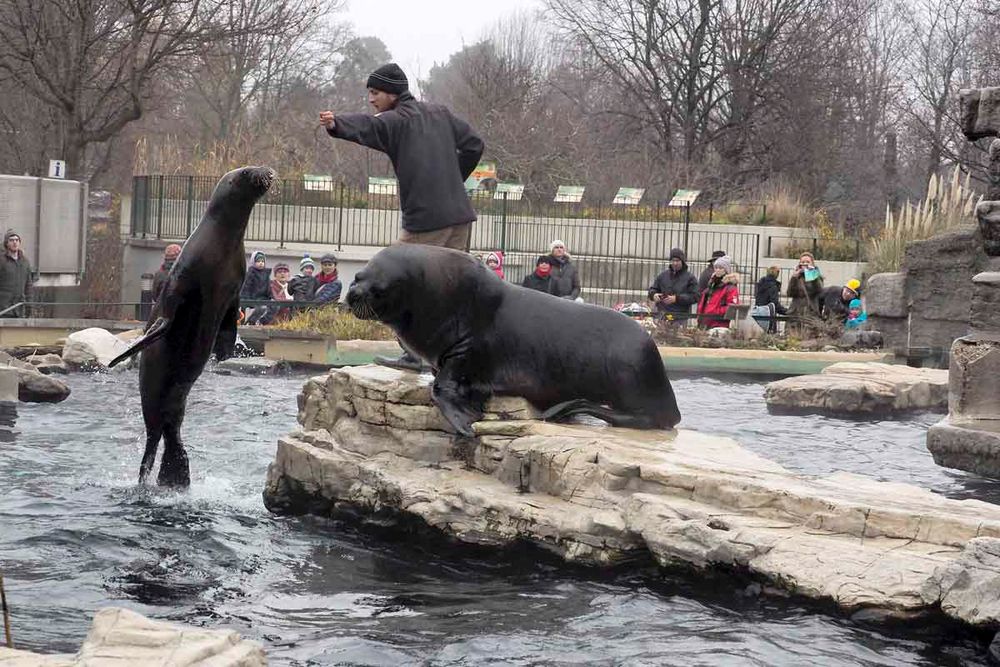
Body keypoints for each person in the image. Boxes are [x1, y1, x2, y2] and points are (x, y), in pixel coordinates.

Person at [319, 63, 484, 370]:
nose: (371, 99)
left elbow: (370, 126)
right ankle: (454, 356)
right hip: (460, 217)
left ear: (393, 93)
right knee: (450, 289)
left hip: (425, 221)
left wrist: (336, 124)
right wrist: (454, 179)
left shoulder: (397, 121)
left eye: (375, 92)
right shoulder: (441, 113)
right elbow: (475, 145)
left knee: (397, 279)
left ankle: (412, 353)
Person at [647, 247, 699, 321]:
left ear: (682, 261)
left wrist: (677, 298)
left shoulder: (690, 278)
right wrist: (654, 295)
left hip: (680, 317)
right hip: (662, 315)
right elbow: (652, 289)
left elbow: (695, 296)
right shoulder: (662, 275)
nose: (675, 263)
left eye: (677, 261)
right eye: (673, 260)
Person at [696, 255, 740, 329]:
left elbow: (732, 307)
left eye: (721, 268)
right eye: (716, 268)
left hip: (719, 324)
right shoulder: (711, 285)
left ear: (726, 270)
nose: (718, 270)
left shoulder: (730, 288)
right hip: (704, 323)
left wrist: (714, 311)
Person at [786, 252, 824, 336]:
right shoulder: (797, 276)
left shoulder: (816, 276)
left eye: (807, 262)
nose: (805, 264)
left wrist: (812, 274)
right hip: (796, 312)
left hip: (810, 312)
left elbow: (819, 290)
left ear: (812, 263)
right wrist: (794, 278)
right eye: (802, 262)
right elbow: (789, 293)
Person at [0, 229, 33, 318]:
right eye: (11, 240)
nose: (15, 242)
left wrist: (29, 304)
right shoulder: (2, 261)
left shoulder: (25, 262)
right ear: (6, 243)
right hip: (4, 309)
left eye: (17, 240)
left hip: (19, 308)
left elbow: (28, 285)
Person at [240, 250, 271, 323]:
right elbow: (246, 287)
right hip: (253, 298)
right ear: (254, 262)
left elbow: (268, 287)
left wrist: (271, 296)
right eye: (258, 261)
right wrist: (245, 298)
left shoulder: (266, 274)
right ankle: (250, 321)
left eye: (262, 261)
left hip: (263, 298)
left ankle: (262, 321)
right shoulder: (251, 274)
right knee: (261, 308)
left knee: (275, 306)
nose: (261, 263)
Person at [754, 266, 788, 334]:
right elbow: (775, 304)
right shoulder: (772, 286)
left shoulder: (761, 283)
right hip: (769, 315)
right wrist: (787, 311)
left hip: (759, 313)